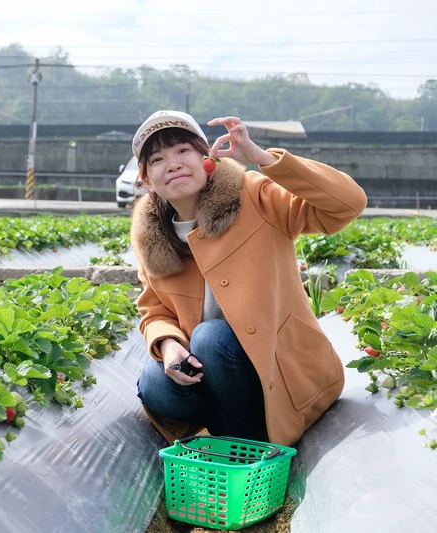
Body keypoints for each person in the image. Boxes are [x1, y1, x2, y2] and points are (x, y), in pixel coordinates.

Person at [131, 111, 367, 447]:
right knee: (155, 383)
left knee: (210, 338)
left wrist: (262, 158)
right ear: (146, 178)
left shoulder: (254, 196)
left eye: (183, 150)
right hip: (220, 379)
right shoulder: (152, 240)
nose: (173, 164)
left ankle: (244, 447)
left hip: (281, 374)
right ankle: (232, 431)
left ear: (207, 158)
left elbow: (348, 203)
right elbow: (154, 312)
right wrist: (169, 346)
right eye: (157, 159)